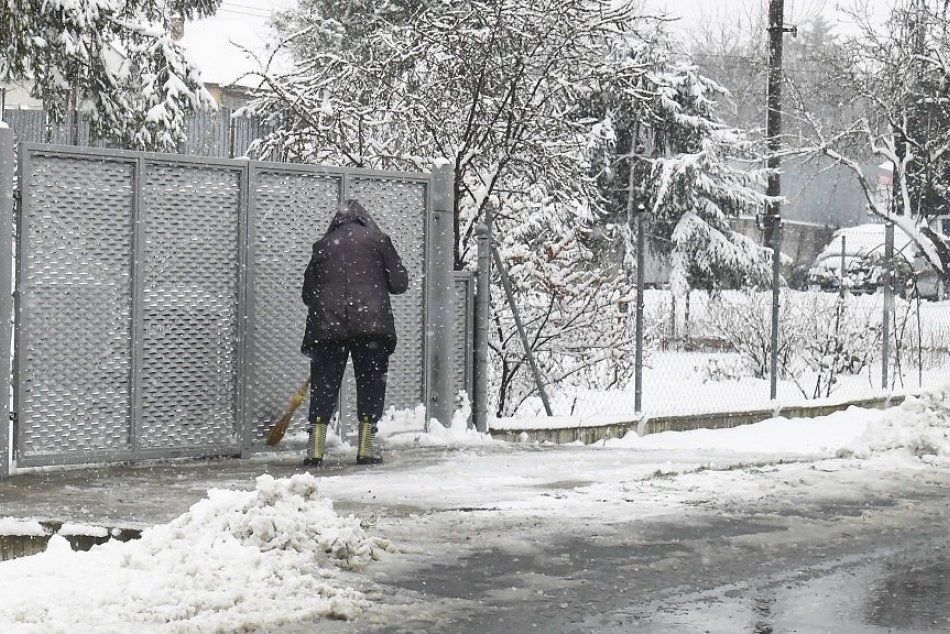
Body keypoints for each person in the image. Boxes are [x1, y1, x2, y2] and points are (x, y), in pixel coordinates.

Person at [300, 199, 409, 466]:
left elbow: (307, 294)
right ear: (365, 219)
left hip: (327, 326)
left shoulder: (323, 246)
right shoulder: (379, 240)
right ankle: (366, 446)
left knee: (325, 383)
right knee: (371, 379)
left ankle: (315, 447)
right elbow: (399, 283)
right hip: (371, 326)